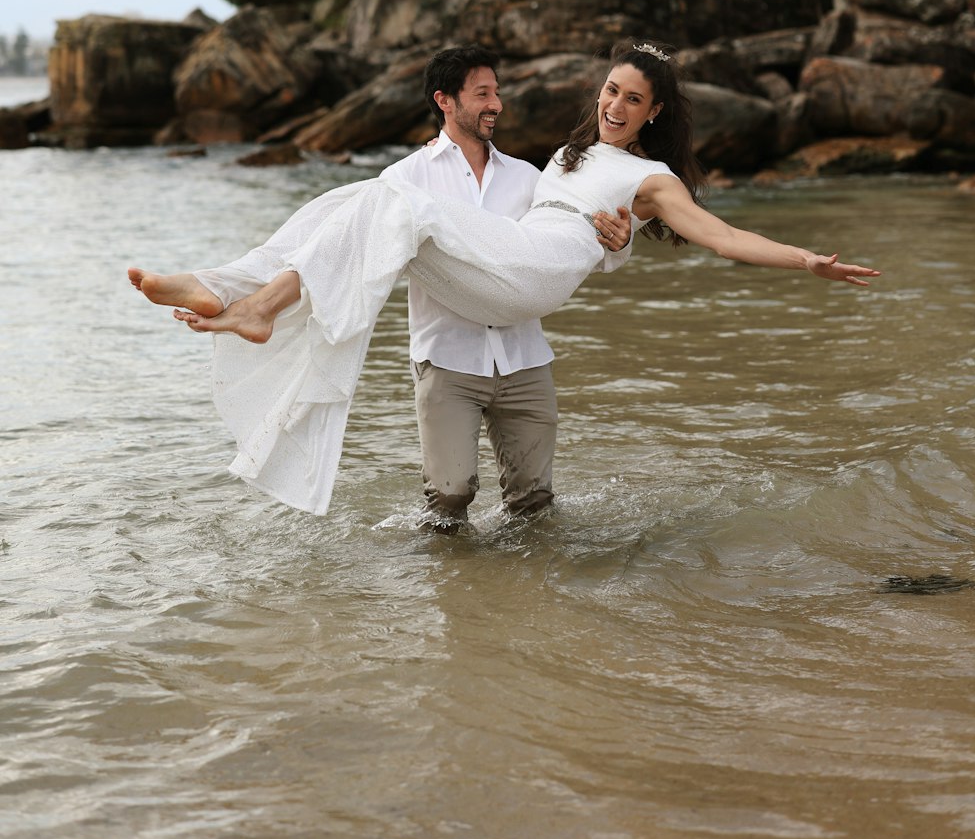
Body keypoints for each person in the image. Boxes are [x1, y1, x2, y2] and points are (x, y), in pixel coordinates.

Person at [128, 40, 880, 516]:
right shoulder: (565, 158)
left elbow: (720, 236)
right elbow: (589, 233)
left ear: (653, 114)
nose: (615, 105)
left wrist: (807, 260)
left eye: (633, 100)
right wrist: (611, 243)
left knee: (386, 203)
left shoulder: (648, 176)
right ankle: (236, 291)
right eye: (610, 90)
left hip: (527, 280)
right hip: (500, 276)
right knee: (365, 200)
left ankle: (254, 302)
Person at [378, 44, 633, 531]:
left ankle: (523, 601)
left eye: (497, 91)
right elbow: (373, 261)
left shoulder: (528, 178)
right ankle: (455, 595)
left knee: (535, 505)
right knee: (448, 503)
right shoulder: (403, 178)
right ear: (445, 101)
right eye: (482, 93)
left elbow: (572, 252)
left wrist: (616, 245)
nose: (497, 103)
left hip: (525, 358)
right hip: (447, 357)